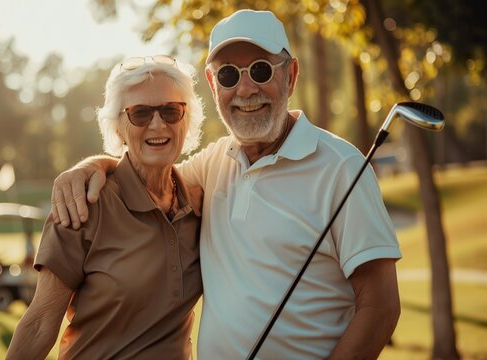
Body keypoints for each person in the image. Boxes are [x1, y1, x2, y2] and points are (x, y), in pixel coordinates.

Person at [51, 9, 402, 359]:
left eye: (261, 70)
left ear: (291, 75)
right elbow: (150, 175)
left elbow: (380, 306)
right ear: (212, 84)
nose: (246, 89)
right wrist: (94, 165)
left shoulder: (342, 168)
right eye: (229, 75)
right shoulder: (213, 162)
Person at [6, 55, 205, 359]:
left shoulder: (199, 202)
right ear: (118, 129)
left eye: (170, 111)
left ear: (186, 120)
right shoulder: (84, 204)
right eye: (139, 113)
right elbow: (39, 324)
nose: (157, 124)